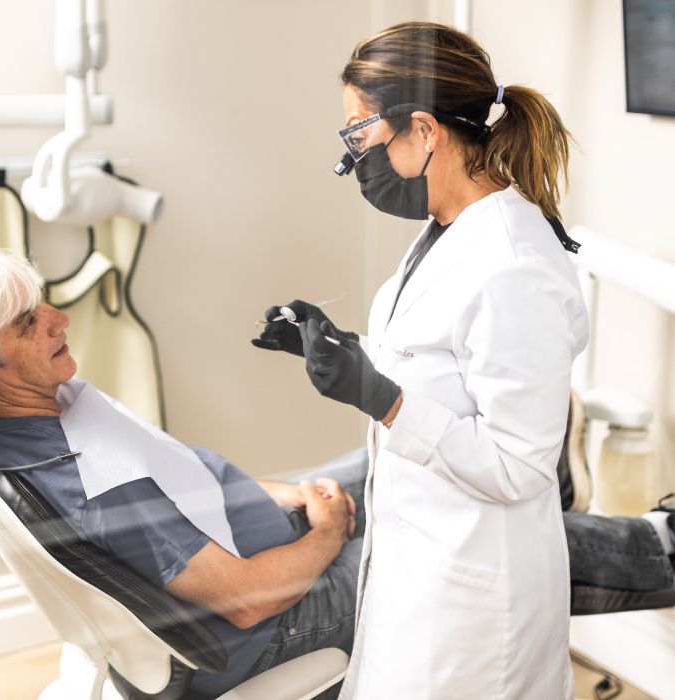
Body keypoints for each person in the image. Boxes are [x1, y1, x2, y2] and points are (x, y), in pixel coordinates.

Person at [0, 246, 674, 698]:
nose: (59, 318)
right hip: (267, 623)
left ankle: (549, 499)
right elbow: (243, 599)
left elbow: (186, 483)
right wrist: (328, 529)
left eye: (42, 302)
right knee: (477, 548)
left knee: (397, 456)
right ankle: (660, 548)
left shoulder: (23, 423)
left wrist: (293, 496)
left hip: (256, 535)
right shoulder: (87, 481)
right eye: (30, 323)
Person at [251, 21, 634, 699]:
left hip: (478, 605)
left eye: (358, 131)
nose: (350, 157)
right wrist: (342, 348)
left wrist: (381, 396)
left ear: (424, 131)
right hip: (418, 571)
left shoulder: (513, 264)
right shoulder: (446, 230)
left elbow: (518, 465)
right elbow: (439, 366)